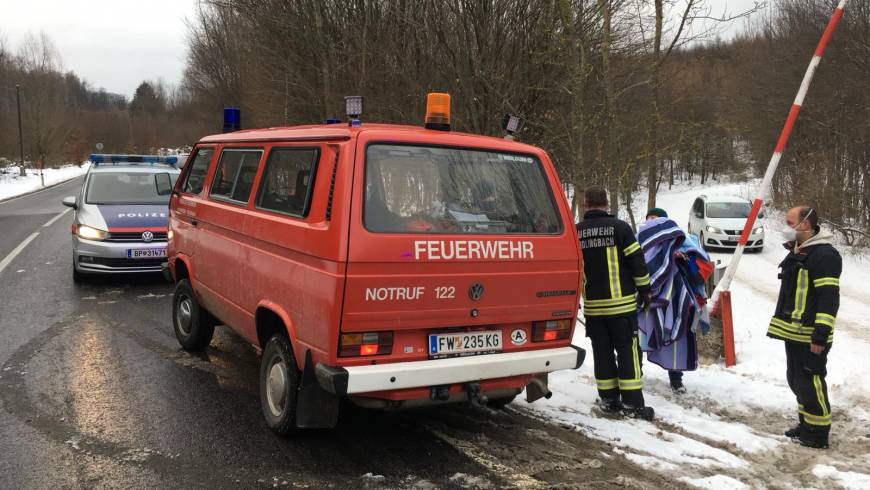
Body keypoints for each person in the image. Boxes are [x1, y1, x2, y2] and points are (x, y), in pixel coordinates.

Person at [577, 186, 654, 419]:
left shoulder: (575, 232)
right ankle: (632, 404)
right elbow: (637, 262)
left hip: (593, 307)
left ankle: (609, 399)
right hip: (621, 307)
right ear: (607, 203)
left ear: (586, 204)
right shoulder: (620, 228)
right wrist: (645, 291)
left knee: (601, 352)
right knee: (628, 351)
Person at [768, 206, 841, 449]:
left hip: (811, 334)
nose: (785, 227)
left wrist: (820, 336)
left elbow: (828, 299)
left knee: (811, 381)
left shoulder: (824, 256)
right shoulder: (802, 251)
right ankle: (806, 424)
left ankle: (818, 434)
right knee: (797, 380)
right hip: (794, 332)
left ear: (805, 225)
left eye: (790, 222)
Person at [645, 207, 688, 393]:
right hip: (645, 300)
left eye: (656, 218)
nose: (652, 222)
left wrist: (677, 258)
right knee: (639, 336)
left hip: (672, 300)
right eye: (649, 218)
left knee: (674, 340)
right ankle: (634, 374)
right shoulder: (640, 242)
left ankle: (676, 379)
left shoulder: (680, 242)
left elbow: (696, 261)